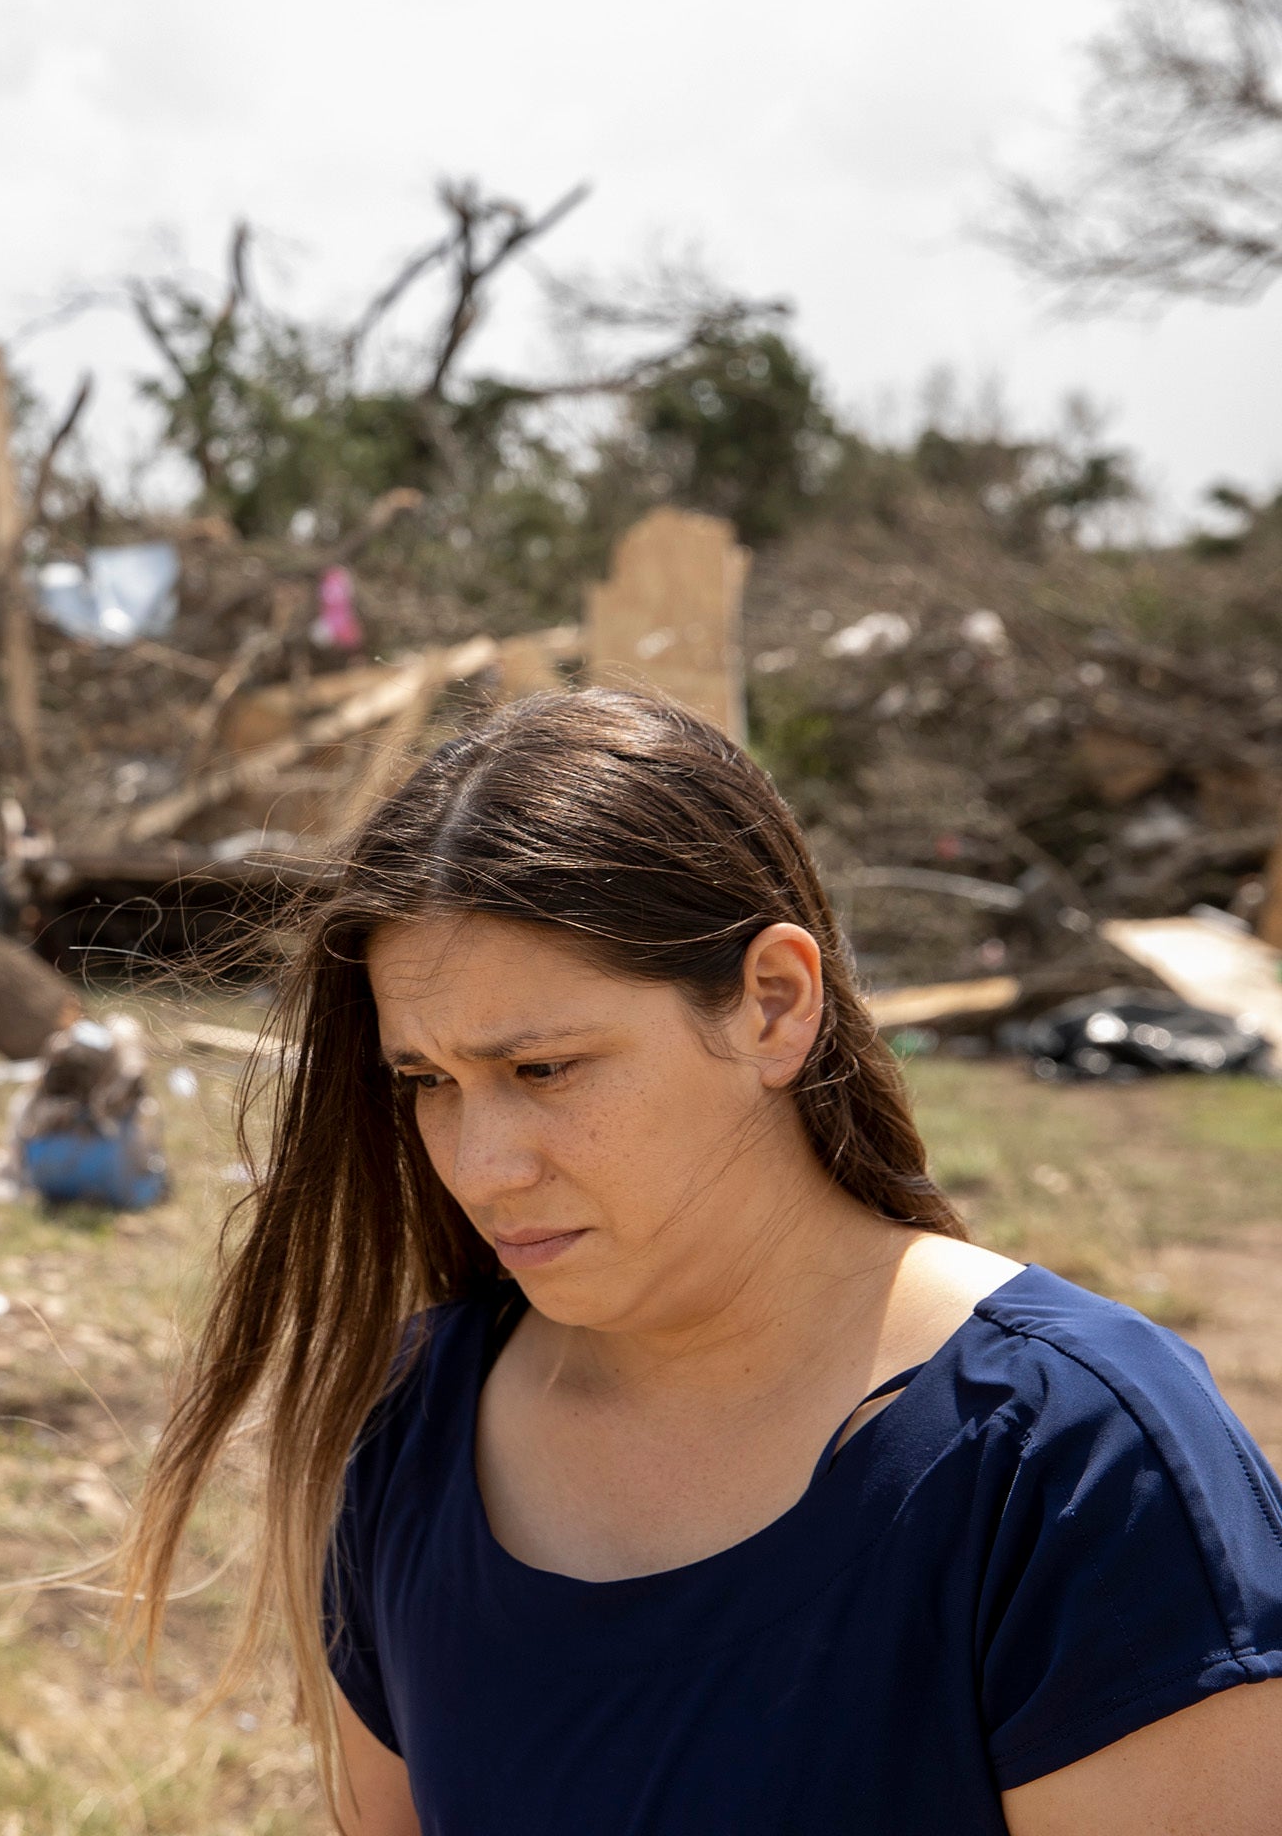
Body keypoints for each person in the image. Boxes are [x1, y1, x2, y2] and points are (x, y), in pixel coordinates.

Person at [117, 687, 1282, 1834]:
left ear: (775, 1003)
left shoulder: (1076, 1458)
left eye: (544, 1069)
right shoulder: (418, 1419)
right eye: (425, 1080)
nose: (480, 1165)